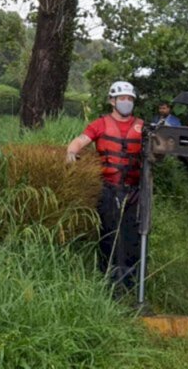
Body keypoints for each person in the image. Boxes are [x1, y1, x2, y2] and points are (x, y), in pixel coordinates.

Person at [66, 80, 144, 295]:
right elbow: (80, 140)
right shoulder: (100, 124)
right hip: (108, 189)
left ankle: (130, 283)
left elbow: (157, 151)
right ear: (112, 101)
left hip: (134, 191)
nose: (126, 102)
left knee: (131, 238)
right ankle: (108, 281)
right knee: (109, 235)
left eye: (130, 99)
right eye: (122, 99)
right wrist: (72, 151)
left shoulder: (142, 126)